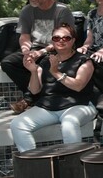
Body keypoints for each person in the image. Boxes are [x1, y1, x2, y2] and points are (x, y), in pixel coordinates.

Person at [9, 24, 96, 152]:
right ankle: (32, 160)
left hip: (79, 105)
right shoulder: (45, 61)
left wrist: (56, 72)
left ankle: (73, 161)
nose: (61, 41)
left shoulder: (84, 61)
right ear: (52, 41)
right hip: (48, 107)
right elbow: (35, 91)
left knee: (69, 123)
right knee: (17, 124)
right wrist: (33, 71)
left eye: (66, 38)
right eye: (56, 38)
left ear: (73, 40)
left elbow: (78, 86)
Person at [2, 0, 76, 114]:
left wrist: (41, 52)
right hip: (35, 48)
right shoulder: (27, 10)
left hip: (58, 48)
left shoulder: (62, 10)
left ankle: (28, 99)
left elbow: (63, 39)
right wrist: (26, 51)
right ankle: (38, 96)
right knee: (8, 63)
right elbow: (24, 36)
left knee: (44, 63)